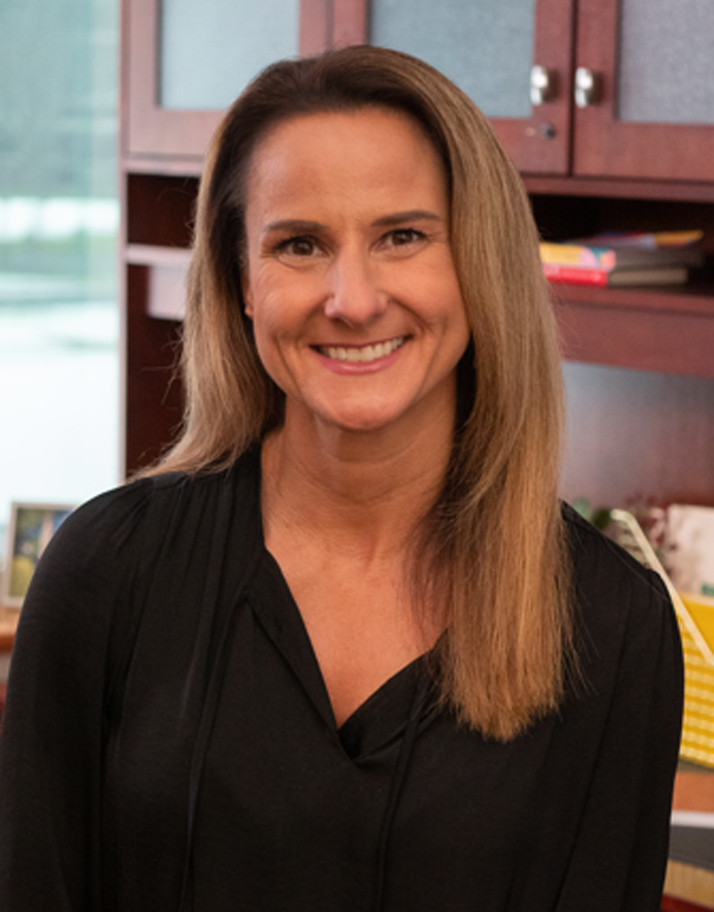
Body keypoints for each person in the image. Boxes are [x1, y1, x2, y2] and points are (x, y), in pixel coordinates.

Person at [0, 45, 682, 911]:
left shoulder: (612, 626)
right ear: (241, 282)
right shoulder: (106, 572)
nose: (352, 298)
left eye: (402, 236)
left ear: (478, 262)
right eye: (299, 245)